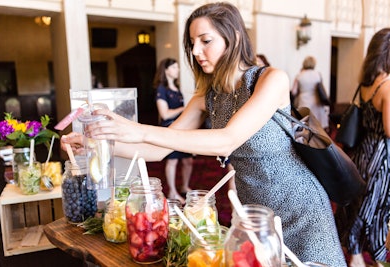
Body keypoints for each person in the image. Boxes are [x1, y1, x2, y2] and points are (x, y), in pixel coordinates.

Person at [61, 3, 346, 266]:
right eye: (192, 43)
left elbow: (228, 139)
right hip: (252, 212)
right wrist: (98, 145)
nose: (196, 51)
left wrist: (137, 129)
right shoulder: (206, 96)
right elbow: (160, 149)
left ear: (232, 37)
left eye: (205, 41)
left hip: (301, 210)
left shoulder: (271, 79)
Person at [335, 28, 390, 267]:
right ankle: (376, 258)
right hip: (381, 158)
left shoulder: (366, 83)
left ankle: (357, 253)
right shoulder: (388, 86)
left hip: (362, 153)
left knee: (363, 203)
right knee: (378, 209)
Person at [154, 58, 193, 203]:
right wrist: (185, 108)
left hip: (182, 130)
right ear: (166, 70)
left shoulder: (177, 90)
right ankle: (172, 192)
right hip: (169, 129)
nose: (178, 70)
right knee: (173, 161)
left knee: (188, 160)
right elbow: (164, 114)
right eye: (175, 67)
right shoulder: (161, 89)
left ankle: (184, 186)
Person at [290, 56, 329, 131]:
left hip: (304, 101)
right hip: (316, 102)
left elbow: (294, 92)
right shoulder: (317, 74)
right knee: (318, 128)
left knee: (305, 126)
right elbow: (321, 89)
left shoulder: (299, 75)